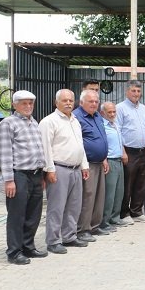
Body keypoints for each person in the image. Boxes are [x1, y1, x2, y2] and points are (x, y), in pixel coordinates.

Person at [0, 90, 47, 265]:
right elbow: (5, 153)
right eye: (24, 103)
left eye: (30, 103)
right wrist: (9, 180)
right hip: (19, 175)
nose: (28, 106)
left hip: (35, 174)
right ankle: (14, 252)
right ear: (14, 105)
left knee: (33, 214)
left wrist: (42, 175)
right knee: (17, 215)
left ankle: (28, 246)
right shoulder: (8, 123)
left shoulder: (34, 122)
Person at [40, 89, 90, 254]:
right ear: (56, 103)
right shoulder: (49, 122)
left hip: (75, 168)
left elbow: (80, 144)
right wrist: (49, 169)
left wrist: (84, 165)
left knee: (73, 206)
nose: (68, 103)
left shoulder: (75, 120)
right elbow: (45, 148)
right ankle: (53, 241)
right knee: (56, 207)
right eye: (64, 100)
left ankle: (69, 236)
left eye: (70, 100)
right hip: (59, 169)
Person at [116, 80, 145, 224]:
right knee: (128, 183)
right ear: (127, 91)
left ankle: (137, 211)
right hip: (129, 152)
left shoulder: (144, 109)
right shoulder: (120, 108)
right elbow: (117, 130)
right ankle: (124, 213)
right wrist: (123, 152)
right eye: (133, 91)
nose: (136, 94)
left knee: (141, 183)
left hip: (143, 151)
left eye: (138, 91)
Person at [73, 89, 109, 242]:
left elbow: (102, 137)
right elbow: (77, 143)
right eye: (90, 101)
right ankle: (83, 229)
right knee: (87, 197)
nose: (94, 104)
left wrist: (104, 158)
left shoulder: (97, 116)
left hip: (99, 162)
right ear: (82, 102)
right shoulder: (76, 117)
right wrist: (83, 165)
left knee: (99, 196)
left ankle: (95, 226)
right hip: (87, 164)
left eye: (96, 101)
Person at [101, 101, 128, 229]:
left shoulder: (115, 124)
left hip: (119, 160)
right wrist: (104, 159)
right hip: (110, 161)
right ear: (103, 113)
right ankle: (105, 221)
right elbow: (102, 144)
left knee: (119, 192)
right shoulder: (102, 126)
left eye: (114, 112)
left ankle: (115, 218)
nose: (112, 114)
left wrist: (124, 153)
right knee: (110, 194)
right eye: (109, 112)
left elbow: (120, 142)